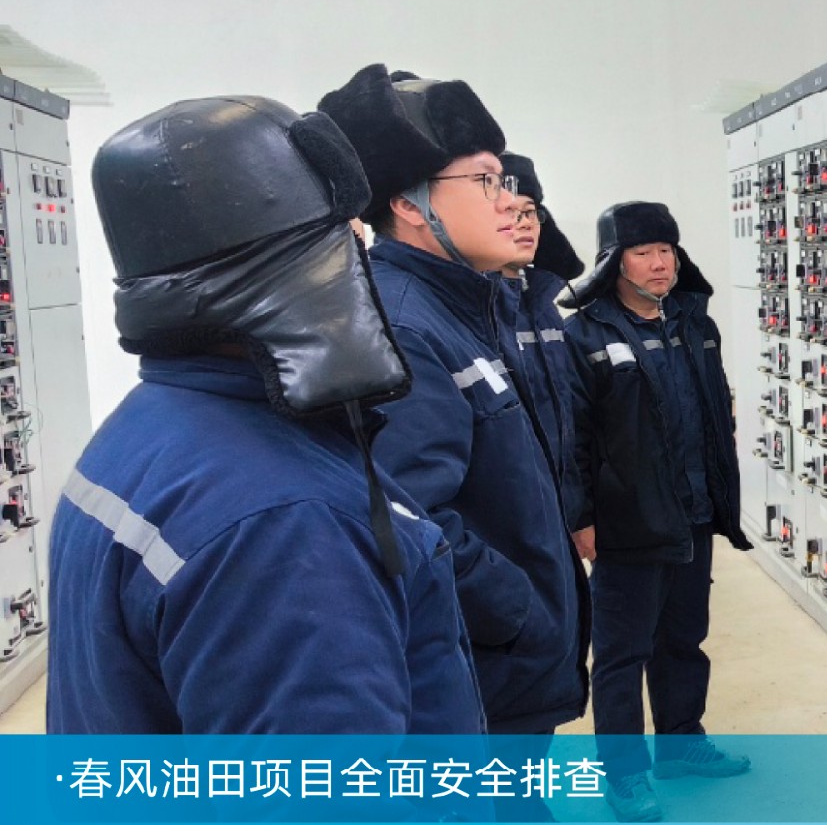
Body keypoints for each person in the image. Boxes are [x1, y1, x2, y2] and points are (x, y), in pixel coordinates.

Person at [47, 95, 482, 734]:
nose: (364, 252)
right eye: (348, 235)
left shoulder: (146, 429)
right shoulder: (289, 524)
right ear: (313, 266)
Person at [317, 66, 587, 744]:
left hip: (502, 670)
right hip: (477, 680)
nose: (510, 201)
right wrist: (522, 612)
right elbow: (409, 519)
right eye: (486, 180)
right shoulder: (406, 326)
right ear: (410, 206)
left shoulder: (468, 306)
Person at [562, 201, 755, 822]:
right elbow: (573, 437)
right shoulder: (586, 335)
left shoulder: (695, 323)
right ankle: (624, 776)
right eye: (642, 253)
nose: (659, 264)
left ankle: (681, 743)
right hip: (627, 519)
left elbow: (714, 414)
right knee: (623, 653)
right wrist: (580, 515)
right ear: (613, 263)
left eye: (666, 251)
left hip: (693, 511)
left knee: (683, 637)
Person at [497, 152, 588, 537]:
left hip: (558, 513)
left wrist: (579, 513)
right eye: (510, 212)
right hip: (511, 527)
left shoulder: (543, 306)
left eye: (530, 212)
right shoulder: (474, 311)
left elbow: (566, 418)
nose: (524, 224)